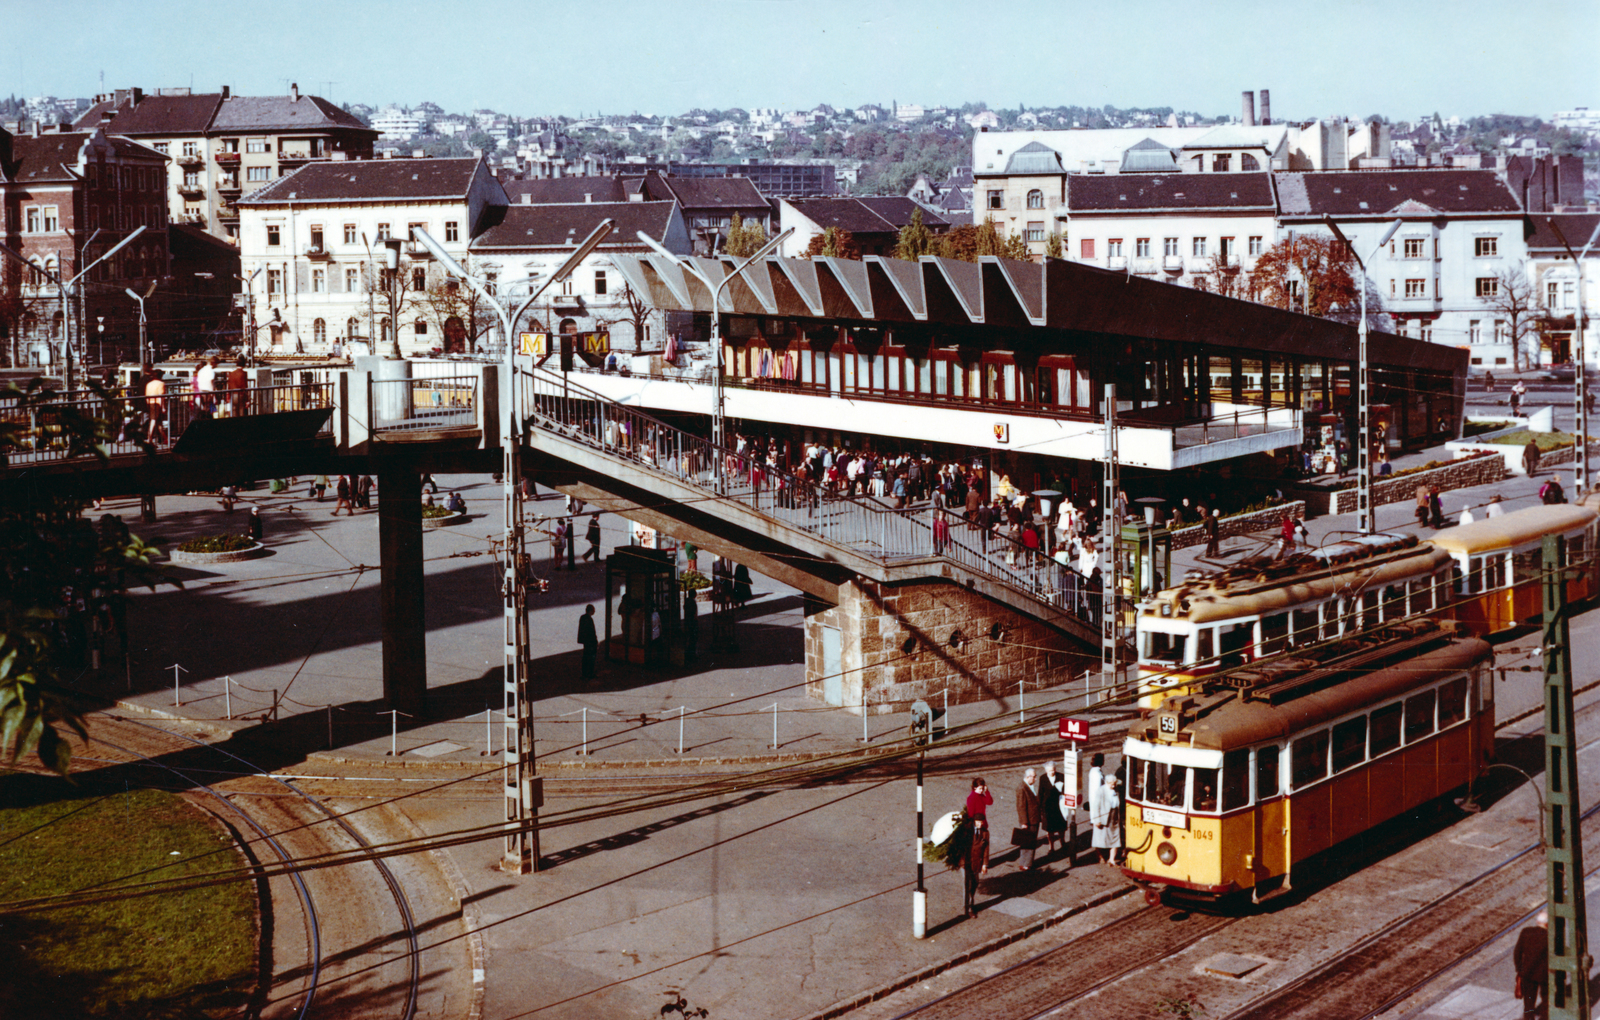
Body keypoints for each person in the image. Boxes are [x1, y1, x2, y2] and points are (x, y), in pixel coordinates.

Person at [1513, 911, 1548, 1017]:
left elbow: (1517, 952)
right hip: (1544, 975)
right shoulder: (1549, 936)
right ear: (1547, 924)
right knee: (1546, 1001)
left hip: (1527, 973)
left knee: (1528, 1004)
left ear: (1537, 921)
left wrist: (1520, 969)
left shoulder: (1526, 932)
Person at [1013, 767, 1043, 871]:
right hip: (1029, 821)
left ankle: (1029, 862)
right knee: (1027, 843)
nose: (1035, 779)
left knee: (1032, 842)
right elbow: (1021, 807)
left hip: (1034, 819)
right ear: (1028, 777)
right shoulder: (1022, 788)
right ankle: (1024, 864)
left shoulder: (1029, 786)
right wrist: (1024, 822)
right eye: (1034, 777)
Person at [961, 815, 990, 919]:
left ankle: (969, 903)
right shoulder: (967, 831)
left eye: (981, 822)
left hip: (977, 862)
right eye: (978, 822)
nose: (980, 824)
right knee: (967, 885)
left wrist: (985, 864)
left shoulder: (985, 833)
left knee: (975, 883)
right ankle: (969, 907)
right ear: (974, 821)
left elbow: (986, 849)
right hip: (967, 862)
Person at [1040, 760, 1068, 858]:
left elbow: (1066, 790)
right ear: (1046, 771)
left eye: (1053, 770)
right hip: (1048, 807)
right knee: (1049, 829)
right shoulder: (1043, 778)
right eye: (1050, 771)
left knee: (1061, 826)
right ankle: (1051, 847)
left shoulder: (1061, 776)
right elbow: (1040, 793)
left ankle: (1062, 842)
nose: (1052, 772)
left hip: (1059, 805)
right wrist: (1040, 808)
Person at [143, 367, 168, 444]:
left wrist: (147, 404)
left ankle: (165, 438)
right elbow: (161, 396)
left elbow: (146, 395)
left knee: (158, 422)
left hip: (150, 403)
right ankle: (149, 438)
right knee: (153, 421)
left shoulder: (149, 384)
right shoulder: (161, 384)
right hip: (157, 404)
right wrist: (163, 407)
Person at [577, 605, 598, 680]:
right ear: (591, 610)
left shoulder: (583, 617)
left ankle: (584, 673)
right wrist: (595, 641)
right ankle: (590, 673)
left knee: (585, 657)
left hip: (586, 642)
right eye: (593, 610)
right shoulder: (589, 619)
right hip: (591, 642)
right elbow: (592, 632)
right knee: (591, 658)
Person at [682, 590, 699, 662]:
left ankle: (689, 653)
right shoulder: (693, 602)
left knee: (689, 638)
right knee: (693, 638)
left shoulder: (687, 601)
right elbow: (694, 614)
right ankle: (692, 654)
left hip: (687, 622)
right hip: (692, 622)